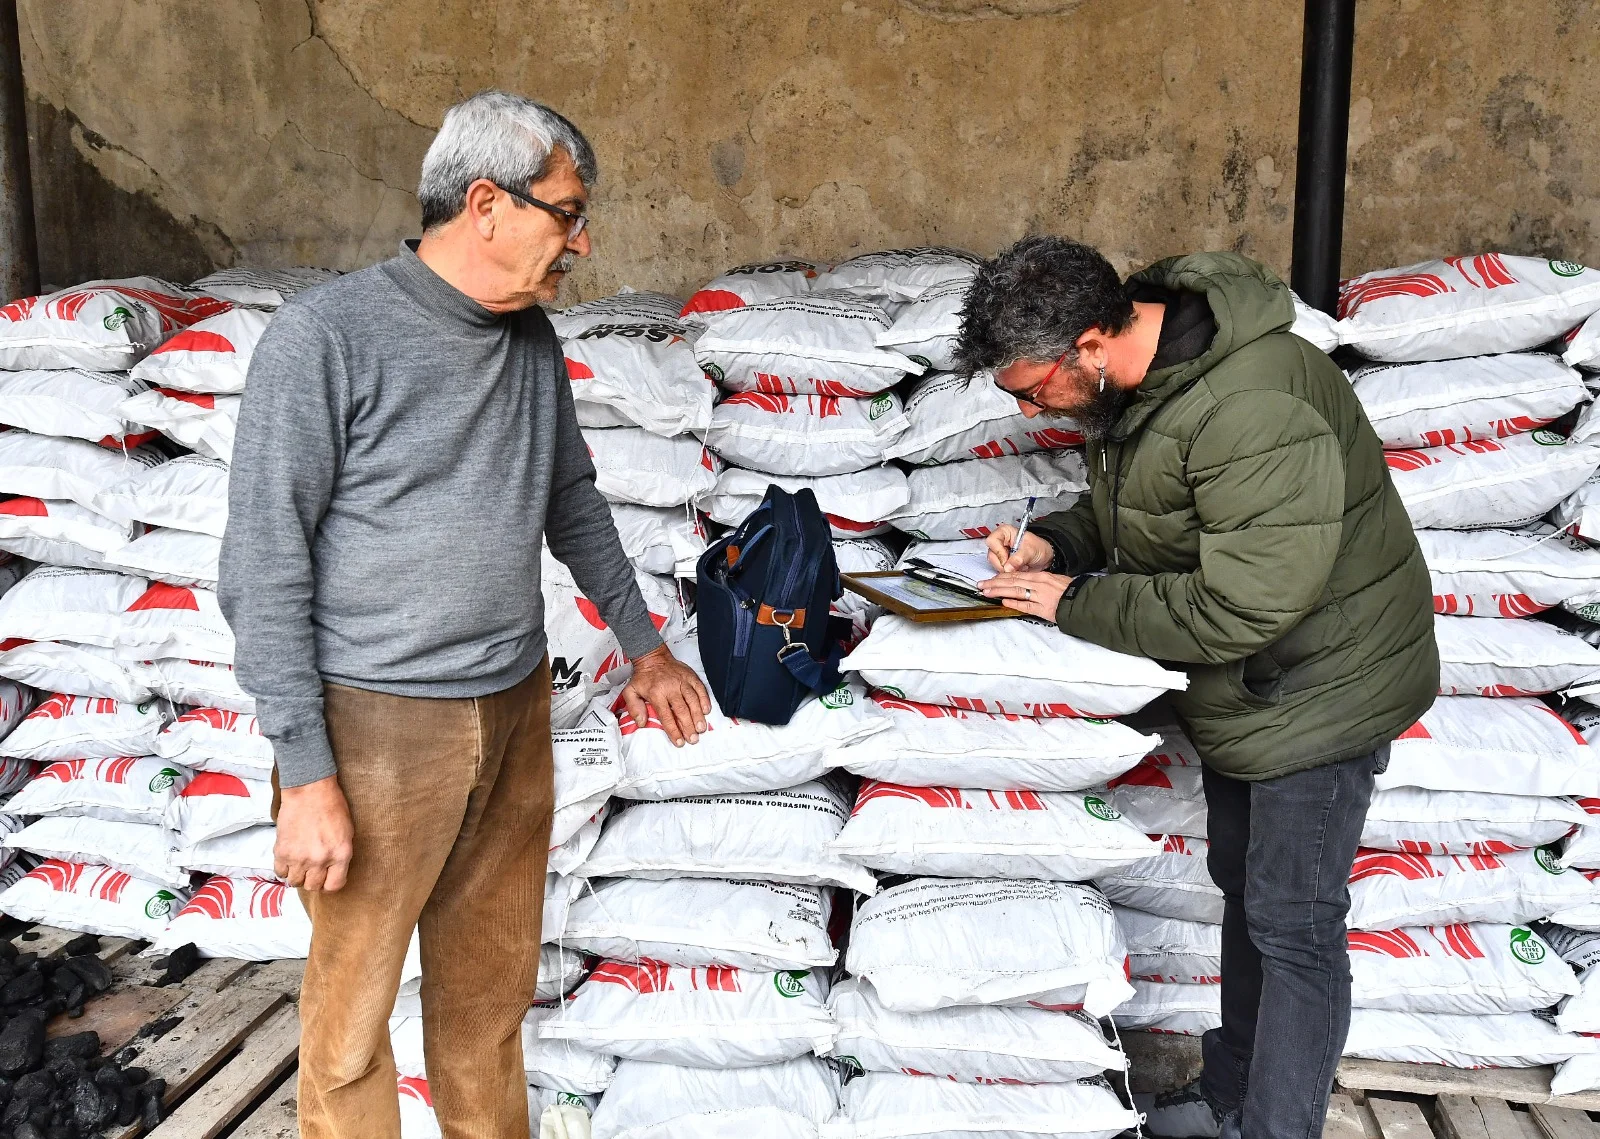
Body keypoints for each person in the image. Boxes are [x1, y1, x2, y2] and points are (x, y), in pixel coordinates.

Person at [219, 90, 710, 1139]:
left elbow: (569, 497)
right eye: (567, 212)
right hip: (375, 730)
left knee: (488, 1005)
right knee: (349, 1027)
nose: (583, 239)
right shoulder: (324, 339)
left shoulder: (528, 340)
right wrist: (305, 771)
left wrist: (647, 645)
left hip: (513, 711)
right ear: (485, 203)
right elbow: (262, 565)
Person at [955, 238, 1438, 1139]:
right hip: (1252, 688)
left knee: (1294, 923)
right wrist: (1056, 545)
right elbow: (1135, 516)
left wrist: (1078, 602)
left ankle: (1274, 1126)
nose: (1027, 410)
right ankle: (1228, 1093)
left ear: (1089, 349)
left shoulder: (1251, 404)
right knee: (1245, 889)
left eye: (1029, 390)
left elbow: (1242, 601)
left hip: (1324, 683)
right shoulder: (1146, 386)